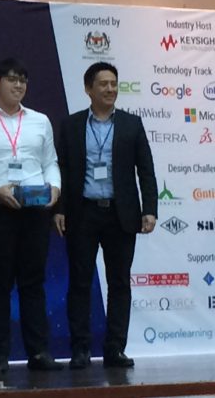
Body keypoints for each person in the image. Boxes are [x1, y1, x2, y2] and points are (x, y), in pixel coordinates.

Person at [53, 62, 158, 369]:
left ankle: (115, 349)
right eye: (103, 84)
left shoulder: (131, 124)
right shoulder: (71, 125)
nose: (110, 89)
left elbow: (146, 170)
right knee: (79, 283)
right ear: (88, 89)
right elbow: (62, 170)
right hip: (82, 213)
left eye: (114, 84)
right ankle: (80, 350)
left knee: (120, 283)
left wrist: (150, 209)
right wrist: (59, 209)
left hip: (120, 214)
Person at [0, 57, 64, 373]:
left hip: (35, 211)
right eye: (12, 79)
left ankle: (38, 352)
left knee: (33, 282)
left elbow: (50, 162)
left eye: (23, 80)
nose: (18, 85)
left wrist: (55, 187)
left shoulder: (40, 121)